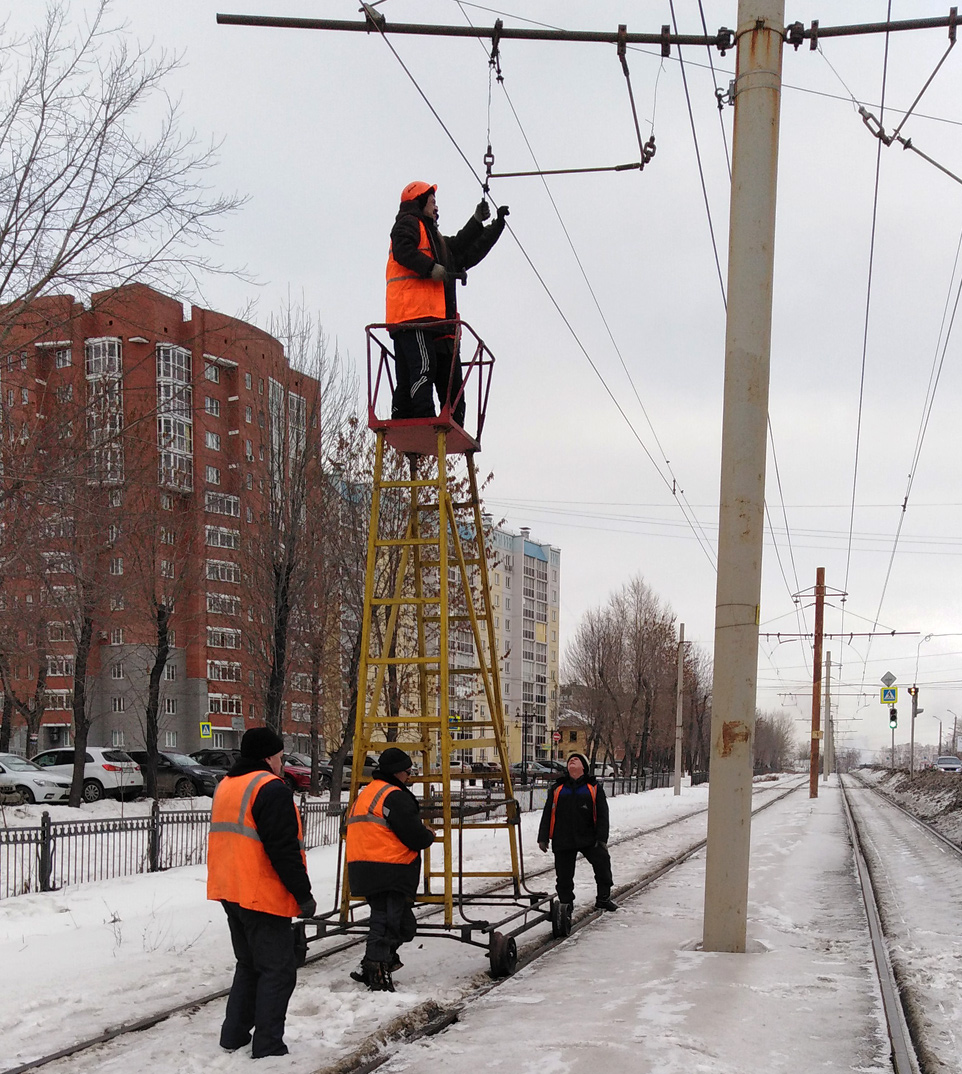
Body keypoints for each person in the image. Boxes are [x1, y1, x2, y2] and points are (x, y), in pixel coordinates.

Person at [207, 727, 315, 1059]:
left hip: (230, 889)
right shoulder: (270, 789)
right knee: (278, 970)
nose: (283, 764)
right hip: (260, 892)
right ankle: (268, 1046)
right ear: (269, 757)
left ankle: (234, 1035)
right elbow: (283, 849)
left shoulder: (227, 785)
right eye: (281, 758)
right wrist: (303, 894)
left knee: (249, 964)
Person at [385, 180, 509, 424]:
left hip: (426, 319)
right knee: (422, 369)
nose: (436, 207)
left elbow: (461, 249)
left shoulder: (433, 238)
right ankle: (422, 418)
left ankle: (411, 416)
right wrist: (430, 268)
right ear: (418, 202)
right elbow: (403, 249)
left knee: (417, 372)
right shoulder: (409, 224)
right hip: (413, 316)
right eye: (432, 202)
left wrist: (484, 224)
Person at [346, 746, 435, 992]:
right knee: (385, 923)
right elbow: (414, 836)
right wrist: (427, 835)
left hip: (363, 866)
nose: (410, 776)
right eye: (408, 772)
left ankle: (378, 961)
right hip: (389, 867)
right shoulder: (394, 796)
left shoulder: (368, 793)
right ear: (398, 773)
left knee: (402, 924)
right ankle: (376, 970)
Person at [537, 752, 618, 913]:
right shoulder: (557, 788)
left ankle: (603, 898)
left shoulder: (593, 787)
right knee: (564, 877)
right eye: (570, 760)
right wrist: (543, 838)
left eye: (577, 759)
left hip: (590, 838)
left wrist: (602, 839)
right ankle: (566, 905)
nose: (572, 761)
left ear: (584, 767)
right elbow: (548, 813)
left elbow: (603, 814)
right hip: (563, 838)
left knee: (603, 866)